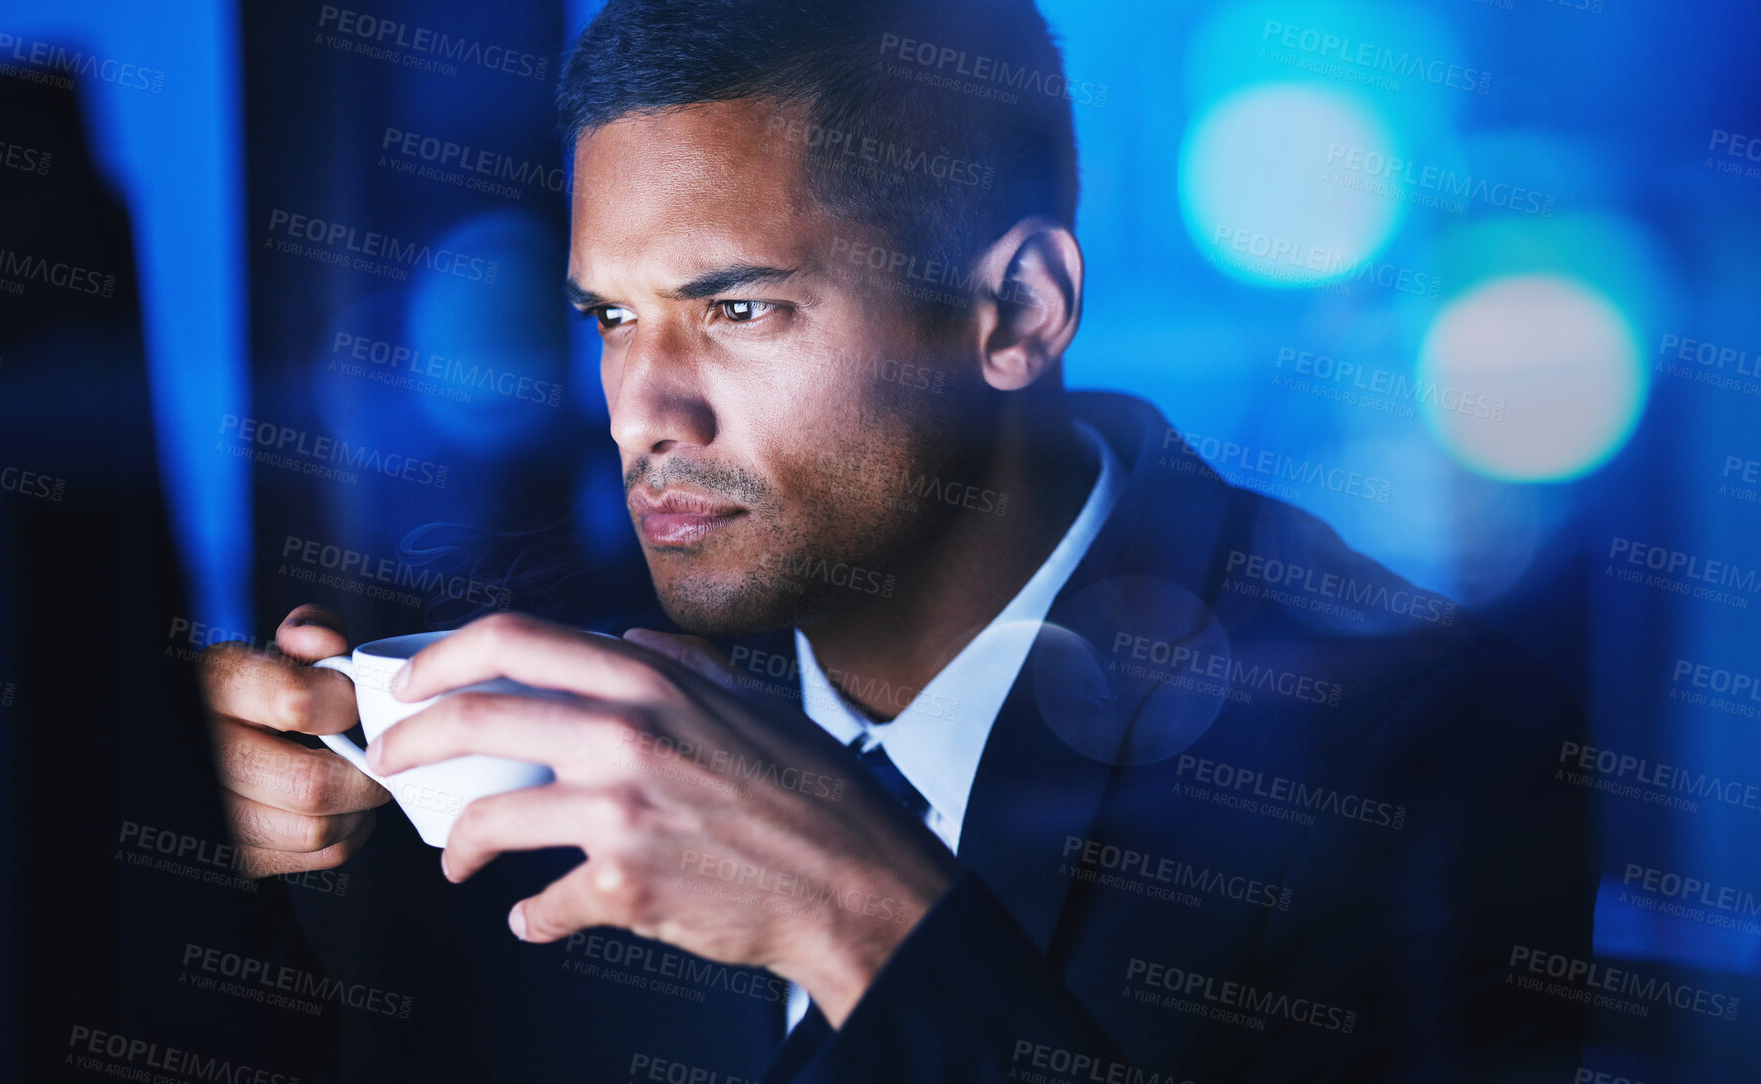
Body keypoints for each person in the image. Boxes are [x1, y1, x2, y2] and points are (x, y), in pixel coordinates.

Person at [199, 1, 1594, 1079]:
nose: (640, 412)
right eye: (612, 318)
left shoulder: (1428, 748)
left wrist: (863, 917)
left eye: (736, 311)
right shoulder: (547, 683)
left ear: (1020, 311)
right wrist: (208, 859)